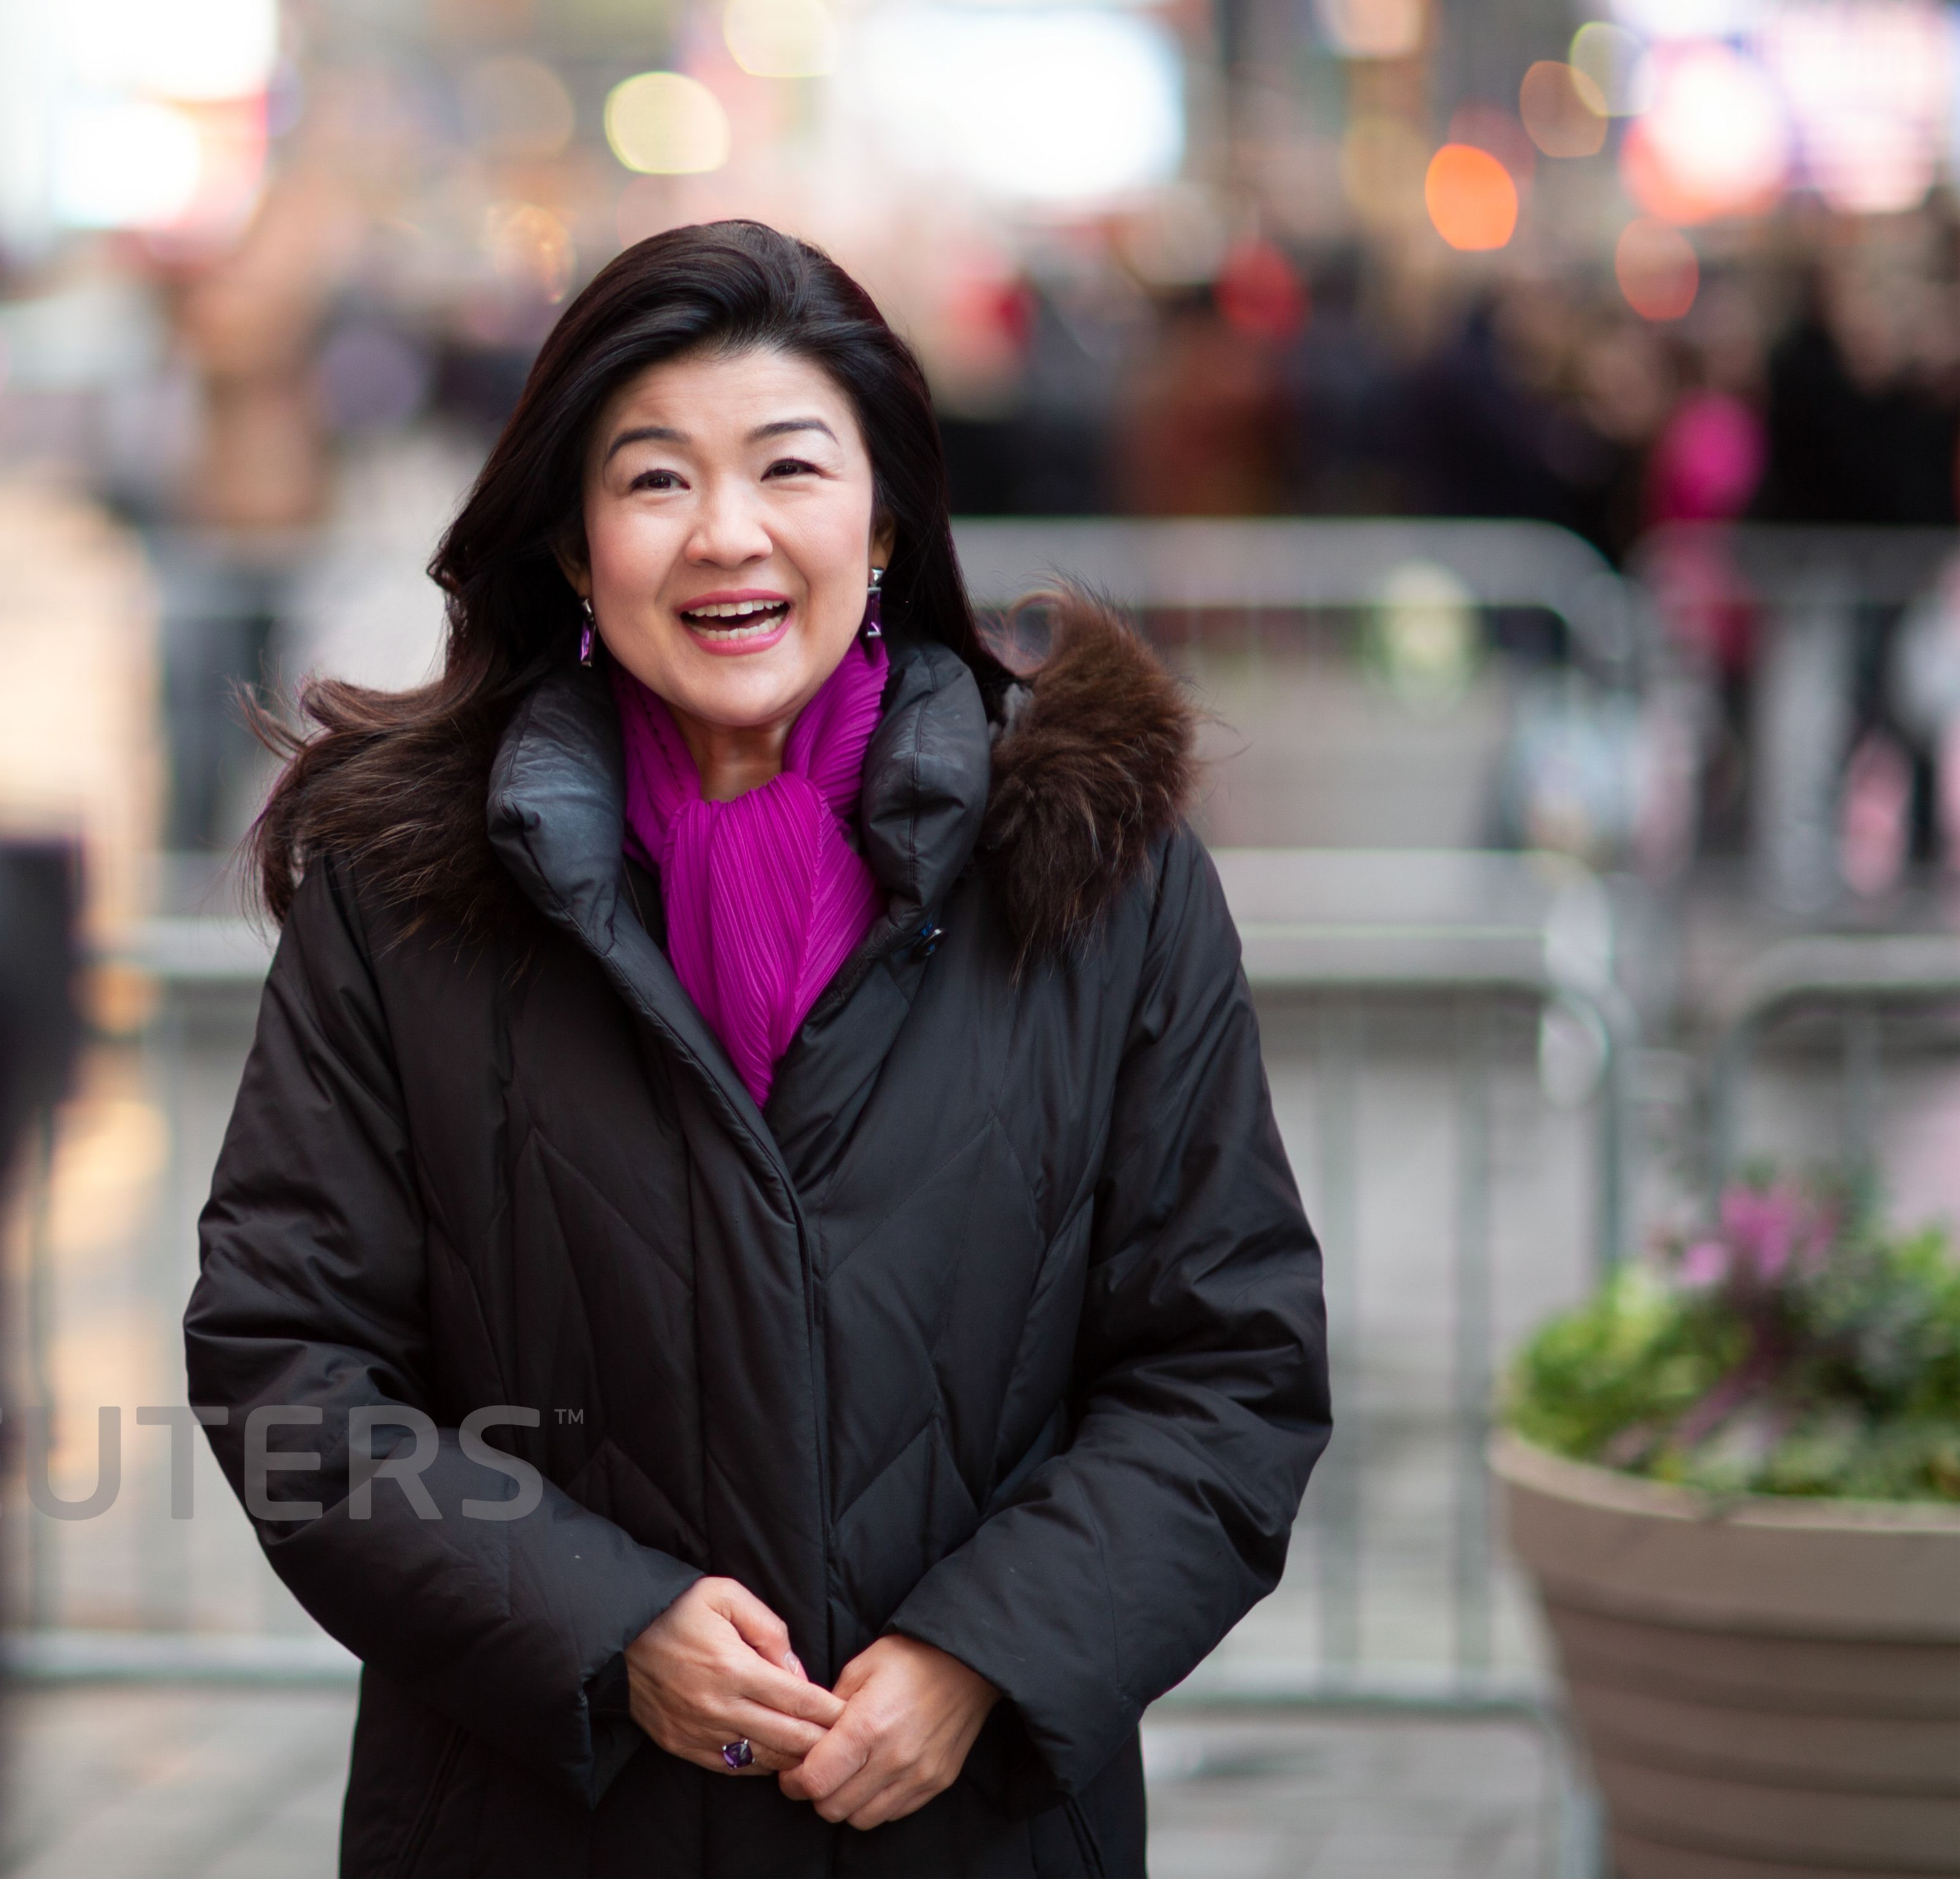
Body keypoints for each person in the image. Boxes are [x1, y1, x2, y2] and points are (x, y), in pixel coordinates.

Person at [185, 221, 1327, 1876]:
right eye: (653, 482)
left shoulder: (1095, 873)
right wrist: (605, 1624)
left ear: (881, 520)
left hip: (967, 1825)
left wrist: (979, 1661)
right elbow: (286, 1362)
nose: (725, 537)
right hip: (531, 1818)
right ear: (575, 546)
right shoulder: (409, 892)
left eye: (788, 469)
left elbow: (1226, 1369)